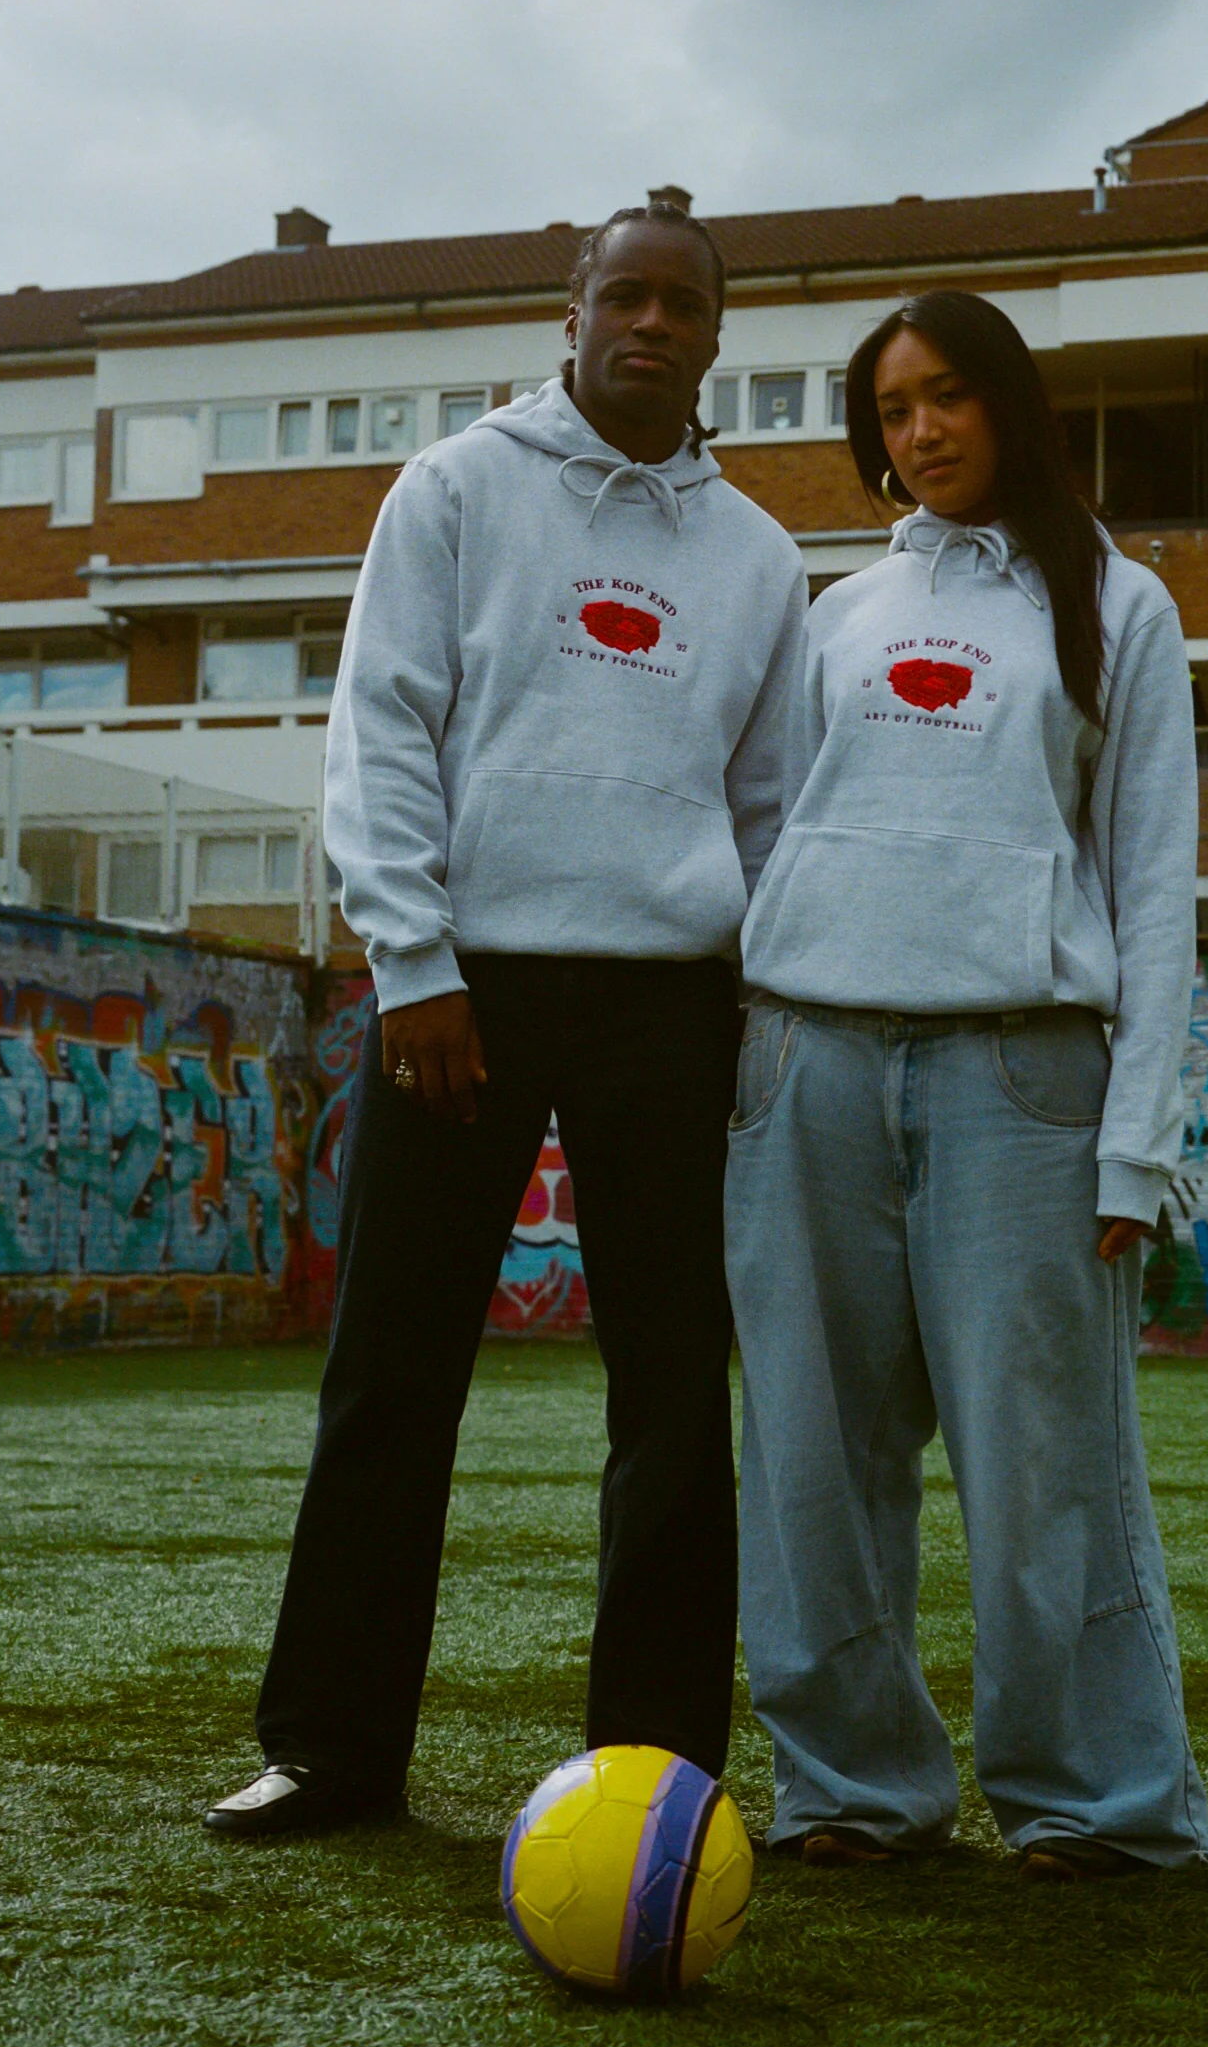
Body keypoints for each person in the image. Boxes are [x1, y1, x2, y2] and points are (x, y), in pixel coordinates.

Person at [205, 202, 809, 1837]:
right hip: (462, 987)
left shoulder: (759, 557)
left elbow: (770, 807)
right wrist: (412, 961)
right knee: (392, 1375)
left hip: (673, 999)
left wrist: (756, 1003)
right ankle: (331, 1750)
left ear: (717, 335)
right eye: (627, 295)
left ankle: (656, 1771)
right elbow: (381, 725)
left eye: (684, 304)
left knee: (674, 1396)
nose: (653, 324)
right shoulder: (458, 487)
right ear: (572, 313)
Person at [723, 288, 1208, 1880]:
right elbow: (770, 828)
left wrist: (1134, 1145)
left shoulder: (1119, 604)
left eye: (948, 395)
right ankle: (851, 1788)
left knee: (1046, 1465)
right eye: (893, 407)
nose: (921, 429)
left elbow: (1155, 886)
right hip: (806, 1061)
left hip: (1024, 1075)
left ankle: (1098, 1804)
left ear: (1009, 401)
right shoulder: (839, 613)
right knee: (810, 1458)